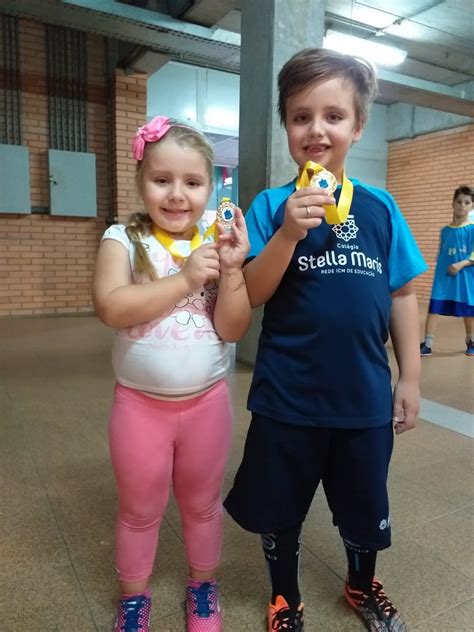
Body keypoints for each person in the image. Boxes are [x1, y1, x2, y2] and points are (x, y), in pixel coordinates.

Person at [224, 48, 428, 632]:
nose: (317, 129)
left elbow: (402, 295)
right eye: (300, 116)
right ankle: (284, 595)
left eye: (333, 116)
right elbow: (253, 292)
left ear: (357, 126)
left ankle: (361, 584)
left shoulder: (381, 207)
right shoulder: (269, 206)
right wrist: (288, 231)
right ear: (287, 125)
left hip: (363, 400)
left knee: (364, 504)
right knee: (279, 507)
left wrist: (410, 379)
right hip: (287, 397)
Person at [92, 115, 251, 632]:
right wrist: (184, 277)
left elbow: (232, 328)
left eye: (193, 182)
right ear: (141, 181)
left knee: (203, 504)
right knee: (139, 509)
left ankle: (202, 586)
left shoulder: (216, 238)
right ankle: (134, 598)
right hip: (139, 406)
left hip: (206, 404)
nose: (177, 194)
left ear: (212, 185)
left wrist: (231, 272)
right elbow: (112, 307)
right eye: (162, 180)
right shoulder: (122, 237)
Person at [420, 185, 474, 357]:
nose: (462, 205)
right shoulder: (445, 230)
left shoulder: (472, 229)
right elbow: (442, 253)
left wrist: (460, 264)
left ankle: (471, 342)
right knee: (434, 308)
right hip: (443, 276)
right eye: (459, 202)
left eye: (467, 203)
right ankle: (427, 344)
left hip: (464, 275)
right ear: (453, 203)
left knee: (468, 311)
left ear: (472, 206)